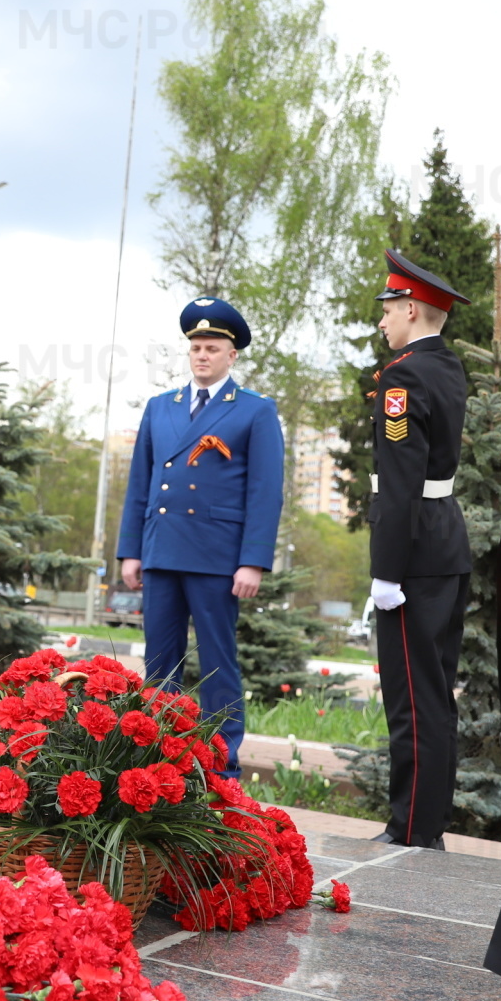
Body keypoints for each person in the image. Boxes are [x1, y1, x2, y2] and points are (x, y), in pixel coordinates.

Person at [116, 297, 283, 776]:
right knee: (159, 664)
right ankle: (157, 759)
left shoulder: (253, 411)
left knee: (216, 664)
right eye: (196, 347)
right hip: (162, 551)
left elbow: (266, 491)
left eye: (212, 347)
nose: (202, 355)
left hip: (217, 558)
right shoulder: (160, 407)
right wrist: (131, 551)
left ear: (232, 355)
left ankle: (221, 766)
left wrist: (252, 560)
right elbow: (139, 484)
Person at [366, 249, 472, 850]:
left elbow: (401, 479)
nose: (382, 320)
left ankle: (411, 830)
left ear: (410, 308)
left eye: (387, 308)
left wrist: (386, 572)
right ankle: (425, 824)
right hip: (444, 544)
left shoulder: (403, 377)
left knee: (412, 699)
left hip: (414, 555)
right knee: (434, 694)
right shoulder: (446, 367)